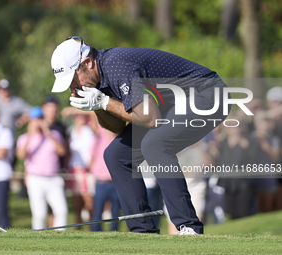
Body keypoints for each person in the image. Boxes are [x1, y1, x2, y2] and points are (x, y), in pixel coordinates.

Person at [50, 36, 229, 235]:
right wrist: (98, 106)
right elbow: (117, 127)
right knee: (116, 155)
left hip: (208, 94)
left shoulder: (116, 65)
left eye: (72, 78)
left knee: (155, 144)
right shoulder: (97, 80)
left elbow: (150, 118)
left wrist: (104, 102)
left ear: (88, 63)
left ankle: (189, 226)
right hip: (172, 104)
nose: (72, 87)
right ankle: (142, 232)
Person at [16, 106, 68, 230]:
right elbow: (21, 155)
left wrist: (48, 133)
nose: (38, 122)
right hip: (35, 179)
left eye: (40, 119)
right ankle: (38, 239)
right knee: (39, 214)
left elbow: (62, 151)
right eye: (35, 119)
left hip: (53, 179)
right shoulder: (24, 137)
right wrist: (30, 134)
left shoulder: (54, 135)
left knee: (61, 211)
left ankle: (61, 239)